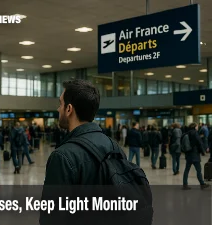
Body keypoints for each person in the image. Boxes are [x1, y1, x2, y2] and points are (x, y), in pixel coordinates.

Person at [40, 79, 152, 225]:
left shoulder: (62, 156)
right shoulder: (114, 146)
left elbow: (51, 218)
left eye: (60, 104)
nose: (58, 109)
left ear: (69, 109)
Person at [182, 123, 210, 190]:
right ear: (195, 127)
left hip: (188, 154)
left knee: (186, 170)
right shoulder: (195, 133)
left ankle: (185, 184)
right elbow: (199, 143)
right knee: (198, 170)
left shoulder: (187, 133)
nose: (198, 127)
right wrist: (203, 151)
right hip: (195, 154)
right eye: (197, 126)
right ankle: (202, 184)